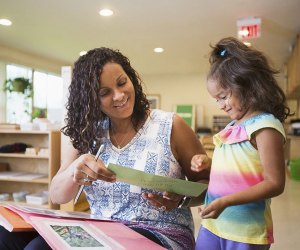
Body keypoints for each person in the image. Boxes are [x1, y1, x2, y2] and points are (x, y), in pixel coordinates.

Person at [48, 47, 211, 249]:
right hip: (102, 234)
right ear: (91, 100)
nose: (119, 95)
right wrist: (75, 169)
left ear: (131, 78)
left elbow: (209, 183)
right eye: (104, 92)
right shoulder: (86, 133)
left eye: (122, 83)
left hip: (162, 234)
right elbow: (57, 195)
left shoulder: (171, 125)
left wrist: (181, 199)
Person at [191, 37, 293, 250]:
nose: (220, 105)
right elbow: (236, 165)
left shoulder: (265, 126)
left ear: (247, 85)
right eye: (216, 99)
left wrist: (226, 201)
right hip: (213, 224)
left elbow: (275, 183)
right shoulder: (231, 127)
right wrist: (206, 162)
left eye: (224, 96)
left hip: (245, 232)